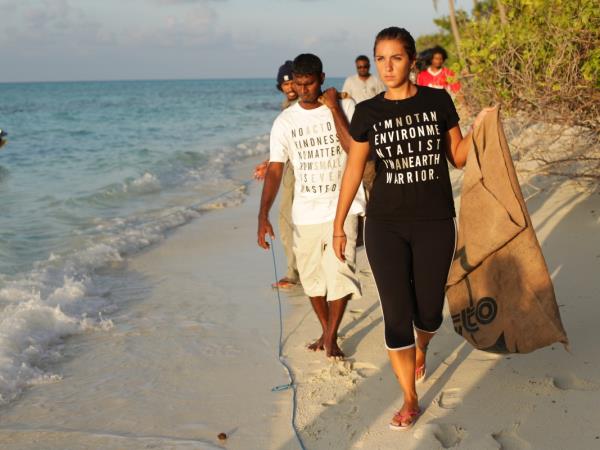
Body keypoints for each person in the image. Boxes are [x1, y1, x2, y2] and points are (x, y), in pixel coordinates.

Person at [332, 27, 492, 429]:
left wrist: (482, 127)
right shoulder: (368, 112)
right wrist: (339, 226)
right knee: (396, 314)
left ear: (412, 61)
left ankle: (423, 347)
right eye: (380, 58)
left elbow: (457, 156)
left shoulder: (438, 101)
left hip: (435, 222)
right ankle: (409, 397)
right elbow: (353, 170)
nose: (387, 67)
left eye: (396, 58)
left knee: (430, 312)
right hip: (384, 225)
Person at [257, 53, 366, 359]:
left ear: (322, 79)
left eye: (310, 84)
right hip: (305, 211)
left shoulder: (345, 106)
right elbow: (276, 169)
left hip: (343, 207)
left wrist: (333, 109)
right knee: (311, 279)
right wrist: (262, 214)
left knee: (341, 273)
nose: (304, 90)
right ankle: (327, 331)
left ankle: (330, 338)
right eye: (299, 84)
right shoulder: (285, 121)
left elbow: (352, 149)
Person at [253, 61, 301, 289]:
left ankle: (294, 273)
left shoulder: (299, 106)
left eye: (292, 81)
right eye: (285, 84)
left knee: (286, 222)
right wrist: (268, 163)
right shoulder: (288, 106)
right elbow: (284, 145)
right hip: (290, 170)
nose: (289, 87)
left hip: (297, 173)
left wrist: (271, 164)